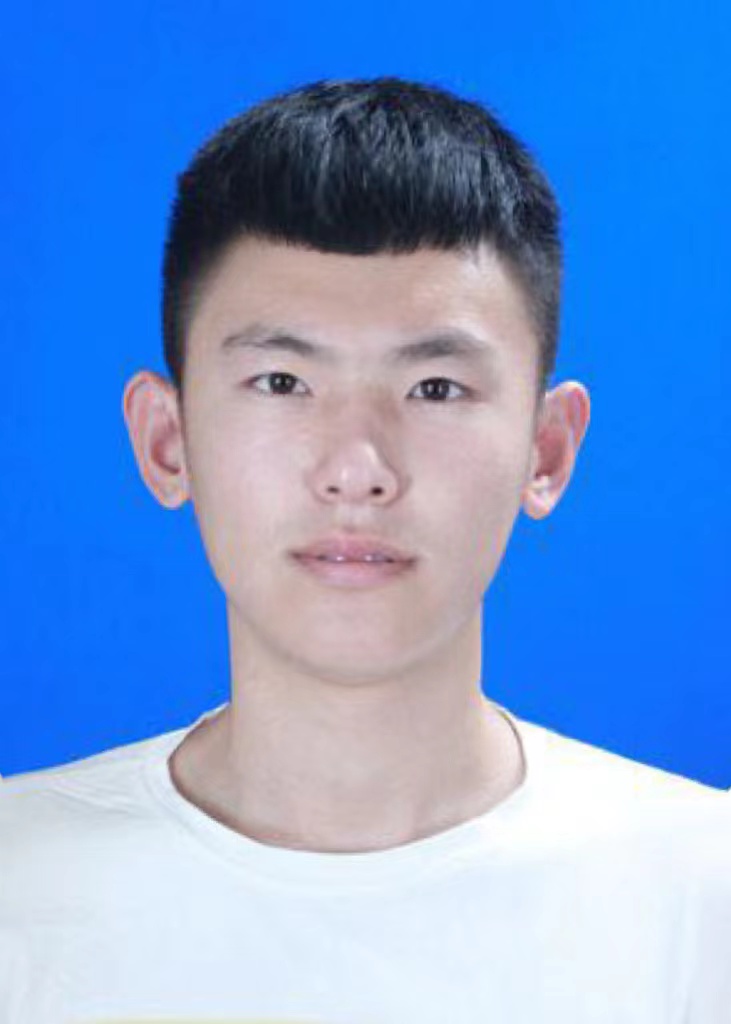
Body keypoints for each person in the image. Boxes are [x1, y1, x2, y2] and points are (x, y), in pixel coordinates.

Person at [0, 76, 728, 1024]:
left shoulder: (701, 898)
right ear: (167, 440)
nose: (356, 470)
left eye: (434, 388)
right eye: (281, 381)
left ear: (545, 450)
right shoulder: (19, 888)